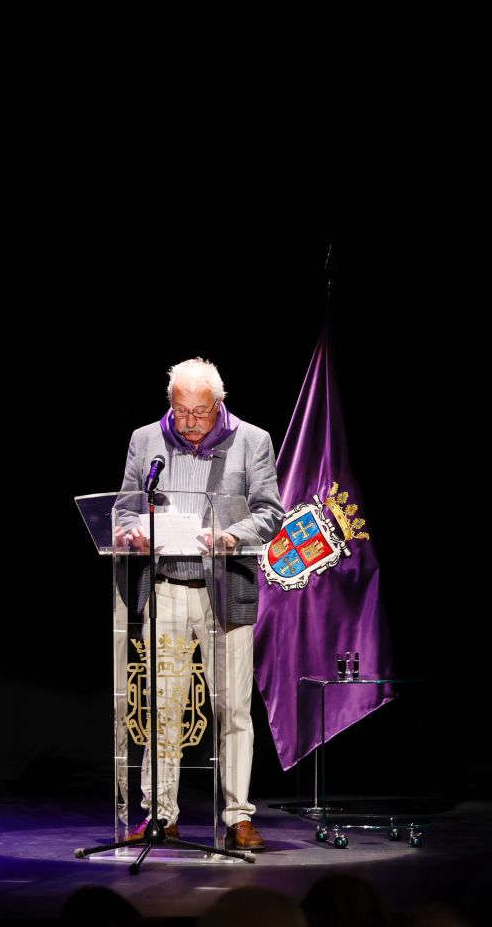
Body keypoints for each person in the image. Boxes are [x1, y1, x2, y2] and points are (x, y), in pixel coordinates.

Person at [115, 357, 283, 852]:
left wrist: (233, 536)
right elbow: (125, 505)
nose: (188, 422)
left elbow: (271, 512)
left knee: (232, 708)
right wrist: (132, 532)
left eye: (199, 413)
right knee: (162, 706)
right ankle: (160, 814)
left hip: (224, 589)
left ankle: (237, 817)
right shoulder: (146, 439)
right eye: (180, 410)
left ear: (219, 404)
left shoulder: (253, 441)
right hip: (165, 588)